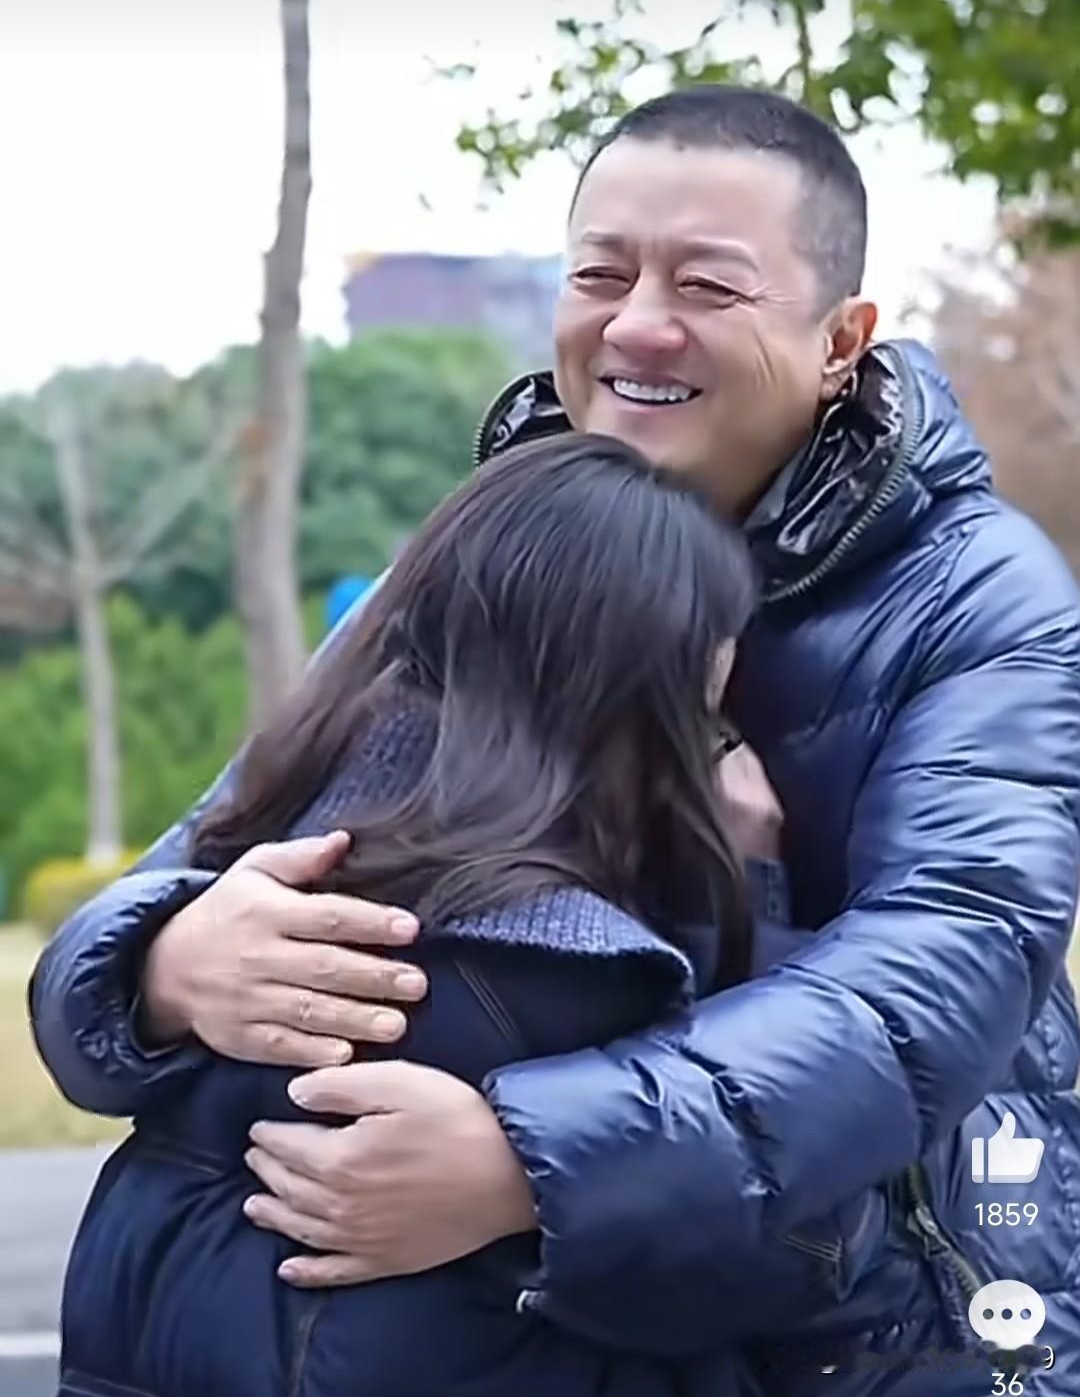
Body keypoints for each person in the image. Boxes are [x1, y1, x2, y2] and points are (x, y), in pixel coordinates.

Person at [33, 87, 1080, 1392]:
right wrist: (163, 964)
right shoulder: (487, 542)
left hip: (880, 1331)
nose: (638, 324)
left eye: (708, 284)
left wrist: (529, 1160)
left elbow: (945, 964)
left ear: (839, 340)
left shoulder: (975, 595)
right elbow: (207, 846)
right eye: (601, 273)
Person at [59, 432, 827, 1397]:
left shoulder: (261, 885)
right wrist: (755, 892)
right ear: (644, 673)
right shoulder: (573, 981)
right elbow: (773, 1263)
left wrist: (152, 964)